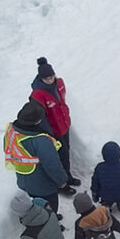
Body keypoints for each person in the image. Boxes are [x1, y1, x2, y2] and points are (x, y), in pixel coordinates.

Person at [5, 100, 66, 211]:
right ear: (37, 121)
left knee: (36, 206)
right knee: (50, 208)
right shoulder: (40, 140)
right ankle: (52, 222)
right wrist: (61, 180)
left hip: (24, 179)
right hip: (43, 184)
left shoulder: (11, 131)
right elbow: (52, 164)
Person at [29, 58, 77, 193]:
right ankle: (62, 183)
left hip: (64, 126)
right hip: (54, 131)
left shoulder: (59, 83)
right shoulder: (37, 95)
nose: (50, 80)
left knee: (66, 151)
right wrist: (49, 132)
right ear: (41, 78)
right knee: (59, 156)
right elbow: (40, 116)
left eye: (51, 77)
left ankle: (68, 176)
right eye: (46, 78)